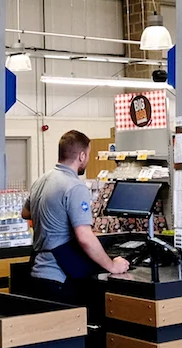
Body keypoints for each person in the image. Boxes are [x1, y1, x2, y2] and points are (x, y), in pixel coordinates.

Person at [20, 130, 129, 305]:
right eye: (88, 155)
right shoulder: (75, 186)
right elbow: (85, 238)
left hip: (37, 271)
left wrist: (54, 215)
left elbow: (25, 213)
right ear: (82, 156)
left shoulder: (41, 180)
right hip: (60, 277)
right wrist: (112, 265)